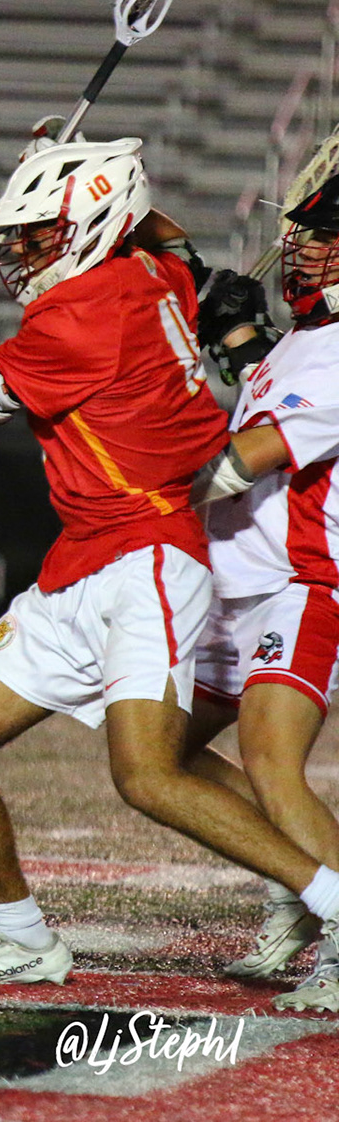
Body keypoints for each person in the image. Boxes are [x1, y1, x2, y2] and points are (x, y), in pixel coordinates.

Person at [0, 136, 339, 985]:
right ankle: (24, 936)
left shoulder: (83, 314)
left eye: (39, 237)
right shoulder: (153, 273)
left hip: (155, 554)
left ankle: (328, 895)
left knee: (151, 775)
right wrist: (70, 167)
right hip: (90, 556)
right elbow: (165, 239)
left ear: (100, 229)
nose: (22, 256)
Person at [184, 171, 339, 1011]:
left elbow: (239, 463)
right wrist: (237, 332)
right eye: (304, 232)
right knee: (158, 754)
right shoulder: (307, 337)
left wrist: (123, 470)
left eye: (324, 236)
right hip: (234, 579)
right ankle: (298, 881)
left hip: (299, 583)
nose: (303, 248)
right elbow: (267, 385)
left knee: (272, 764)